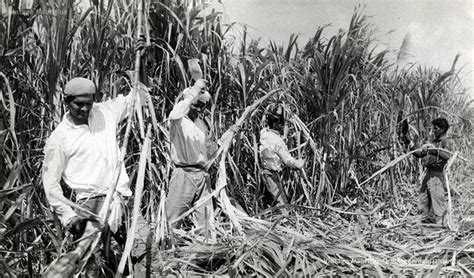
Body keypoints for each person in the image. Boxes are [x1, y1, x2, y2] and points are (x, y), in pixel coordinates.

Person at [42, 76, 151, 276]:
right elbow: (50, 184)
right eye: (79, 104)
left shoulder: (105, 112)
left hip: (121, 198)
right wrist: (69, 217)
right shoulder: (59, 138)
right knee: (94, 266)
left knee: (145, 246)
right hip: (89, 206)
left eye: (89, 104)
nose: (84, 109)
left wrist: (142, 63)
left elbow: (138, 98)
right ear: (67, 101)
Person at [166, 79, 215, 230]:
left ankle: (206, 249)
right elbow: (176, 112)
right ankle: (165, 248)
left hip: (201, 176)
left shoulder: (201, 124)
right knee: (172, 221)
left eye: (202, 107)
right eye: (196, 105)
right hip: (183, 174)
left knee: (207, 222)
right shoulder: (178, 120)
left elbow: (208, 149)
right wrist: (194, 91)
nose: (199, 110)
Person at [259, 110, 305, 212]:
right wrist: (299, 163)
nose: (283, 126)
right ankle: (285, 223)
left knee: (271, 200)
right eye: (282, 124)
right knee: (282, 203)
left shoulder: (263, 134)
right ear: (276, 124)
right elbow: (287, 160)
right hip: (271, 173)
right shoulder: (277, 140)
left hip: (265, 172)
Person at [412, 117, 452, 226]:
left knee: (438, 203)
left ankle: (441, 227)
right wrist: (411, 145)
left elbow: (447, 155)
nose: (433, 131)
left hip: (436, 176)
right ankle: (420, 225)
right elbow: (420, 154)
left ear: (443, 129)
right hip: (428, 174)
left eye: (436, 128)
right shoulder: (433, 142)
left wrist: (433, 148)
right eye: (433, 128)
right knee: (423, 200)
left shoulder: (445, 142)